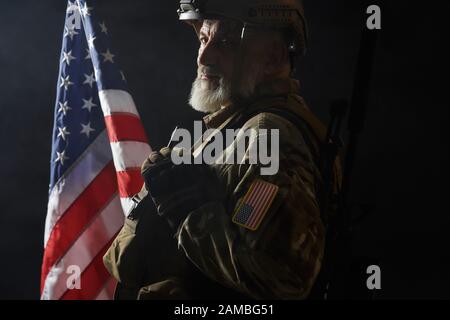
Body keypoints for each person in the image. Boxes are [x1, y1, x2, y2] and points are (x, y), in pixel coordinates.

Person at [104, 0, 341, 300]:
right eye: (204, 38)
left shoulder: (267, 135)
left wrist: (188, 210)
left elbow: (279, 275)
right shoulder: (235, 130)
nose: (205, 56)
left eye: (226, 42)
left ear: (273, 56)